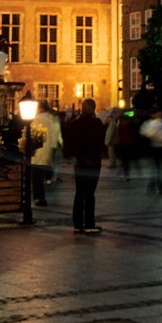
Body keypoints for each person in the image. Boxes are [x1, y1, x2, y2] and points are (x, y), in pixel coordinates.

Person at [63, 98, 106, 234]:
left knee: (79, 192)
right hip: (93, 162)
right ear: (93, 108)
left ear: (82, 108)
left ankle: (77, 223)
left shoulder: (74, 124)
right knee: (90, 194)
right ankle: (89, 223)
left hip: (80, 162)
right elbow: (100, 143)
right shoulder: (96, 123)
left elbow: (68, 145)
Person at [139, 108, 162, 195]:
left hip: (158, 148)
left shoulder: (161, 123)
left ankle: (153, 186)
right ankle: (160, 187)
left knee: (157, 169)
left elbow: (144, 133)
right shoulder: (158, 123)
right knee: (158, 169)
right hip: (157, 148)